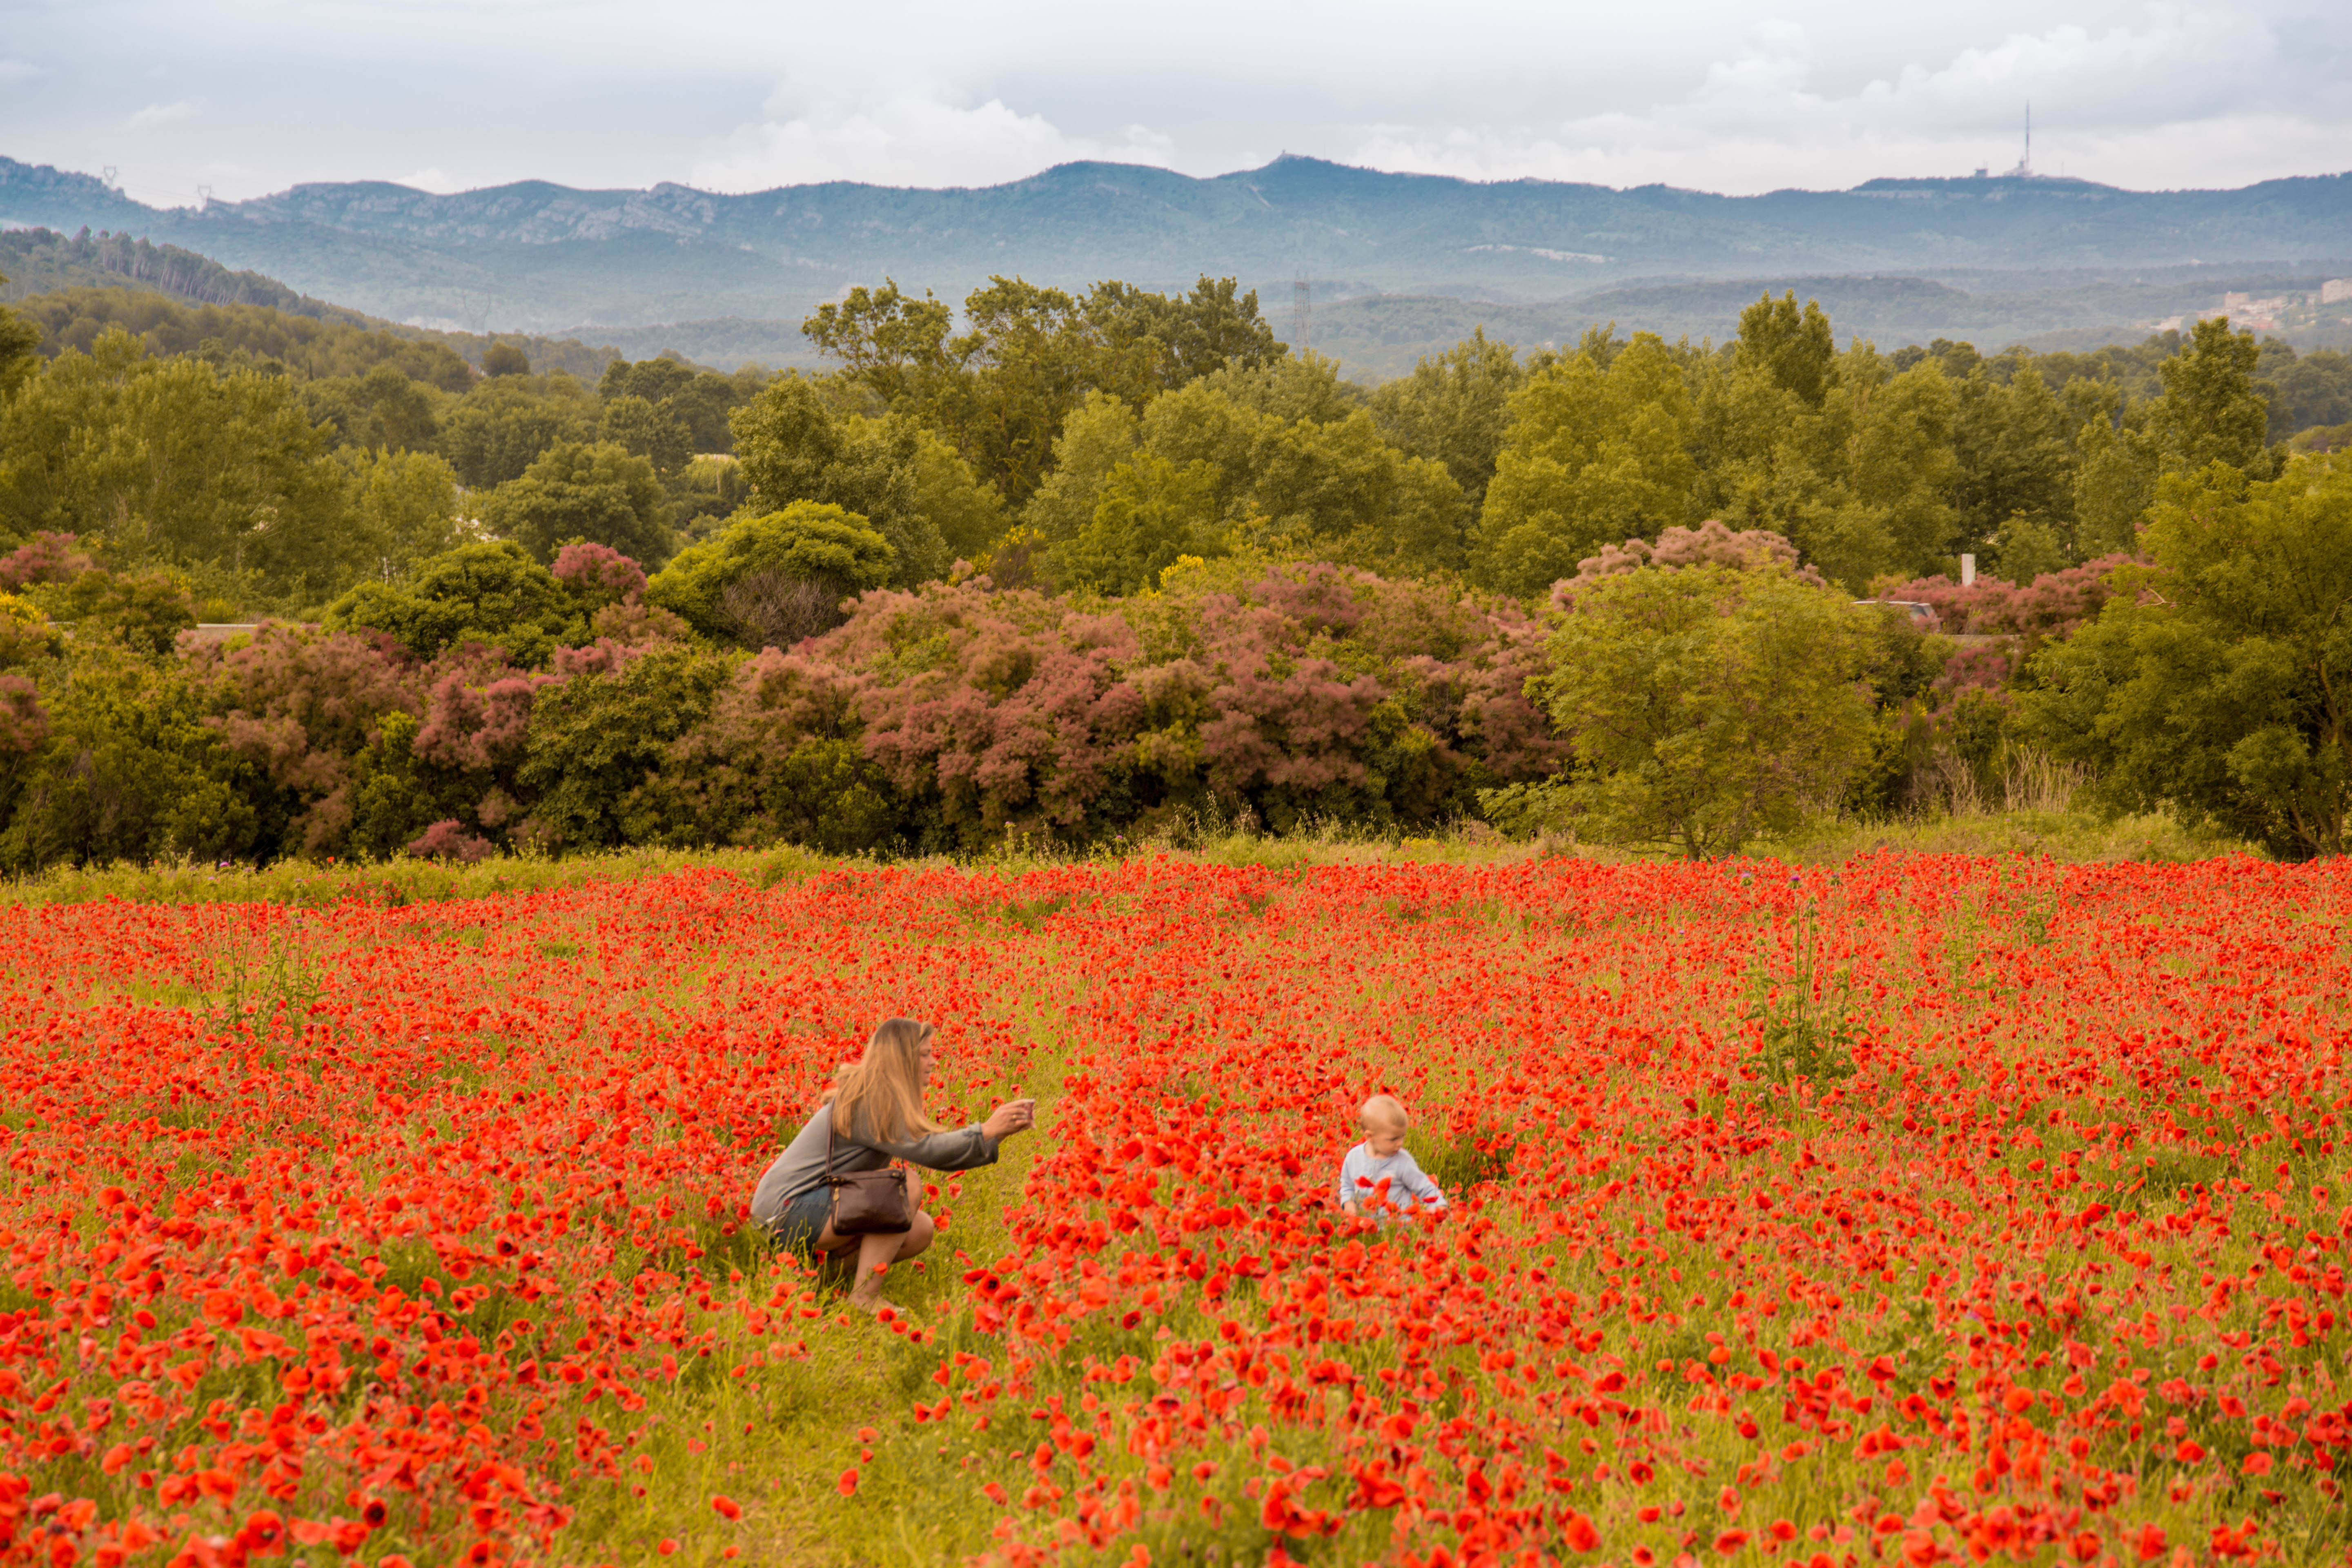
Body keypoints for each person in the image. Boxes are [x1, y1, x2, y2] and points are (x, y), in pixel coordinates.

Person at [751, 1018, 1036, 1314]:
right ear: (903, 1057)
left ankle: (819, 1281)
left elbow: (938, 1152)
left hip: (809, 1205)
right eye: (925, 1054)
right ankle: (864, 1298)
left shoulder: (878, 1095)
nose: (933, 1061)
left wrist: (997, 1133)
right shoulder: (870, 1100)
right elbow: (931, 1151)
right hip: (785, 1210)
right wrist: (987, 1130)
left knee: (920, 1229)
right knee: (906, 1186)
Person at [1336, 1094, 1447, 1221]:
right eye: (1394, 1139)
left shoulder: (1403, 1161)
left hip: (1397, 1230)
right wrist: (1348, 1203)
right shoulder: (1353, 1158)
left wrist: (1440, 1207)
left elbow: (1425, 1188)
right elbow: (1347, 1186)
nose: (1400, 1143)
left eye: (1402, 1137)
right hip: (1364, 1229)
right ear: (1370, 1137)